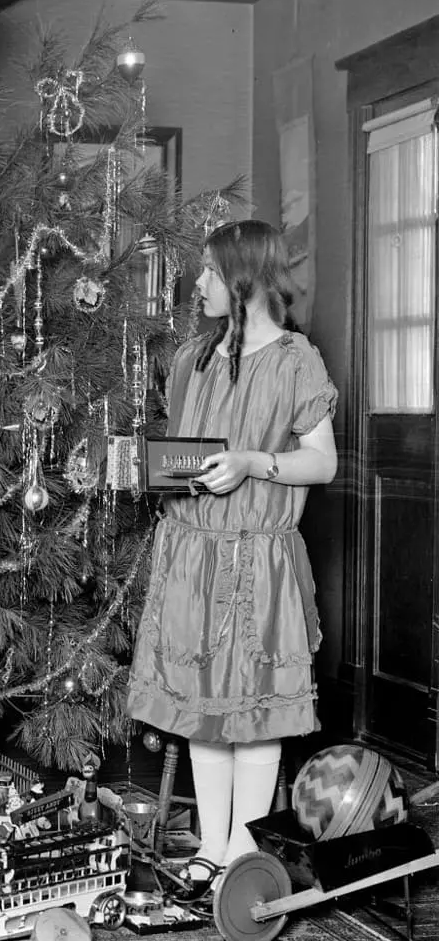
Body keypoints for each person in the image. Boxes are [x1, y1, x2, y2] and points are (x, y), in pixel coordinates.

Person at [127, 219, 338, 886]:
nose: (200, 283)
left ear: (243, 279)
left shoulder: (296, 359)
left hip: (256, 559)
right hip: (190, 554)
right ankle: (211, 847)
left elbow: (323, 463)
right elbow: (181, 451)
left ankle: (245, 855)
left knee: (252, 713)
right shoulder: (192, 357)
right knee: (201, 710)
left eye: (211, 273)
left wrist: (251, 463)